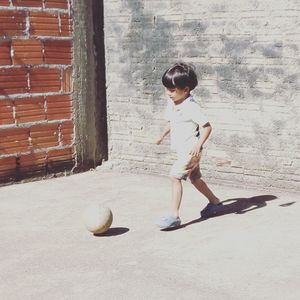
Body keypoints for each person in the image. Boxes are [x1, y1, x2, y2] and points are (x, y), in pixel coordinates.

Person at [155, 62, 222, 229]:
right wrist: (161, 136)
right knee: (195, 178)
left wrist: (199, 145)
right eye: (166, 89)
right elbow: (172, 122)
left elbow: (207, 126)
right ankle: (215, 202)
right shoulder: (173, 103)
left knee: (175, 177)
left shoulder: (191, 107)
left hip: (191, 151)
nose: (168, 93)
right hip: (184, 151)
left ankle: (174, 216)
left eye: (172, 90)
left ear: (185, 90)